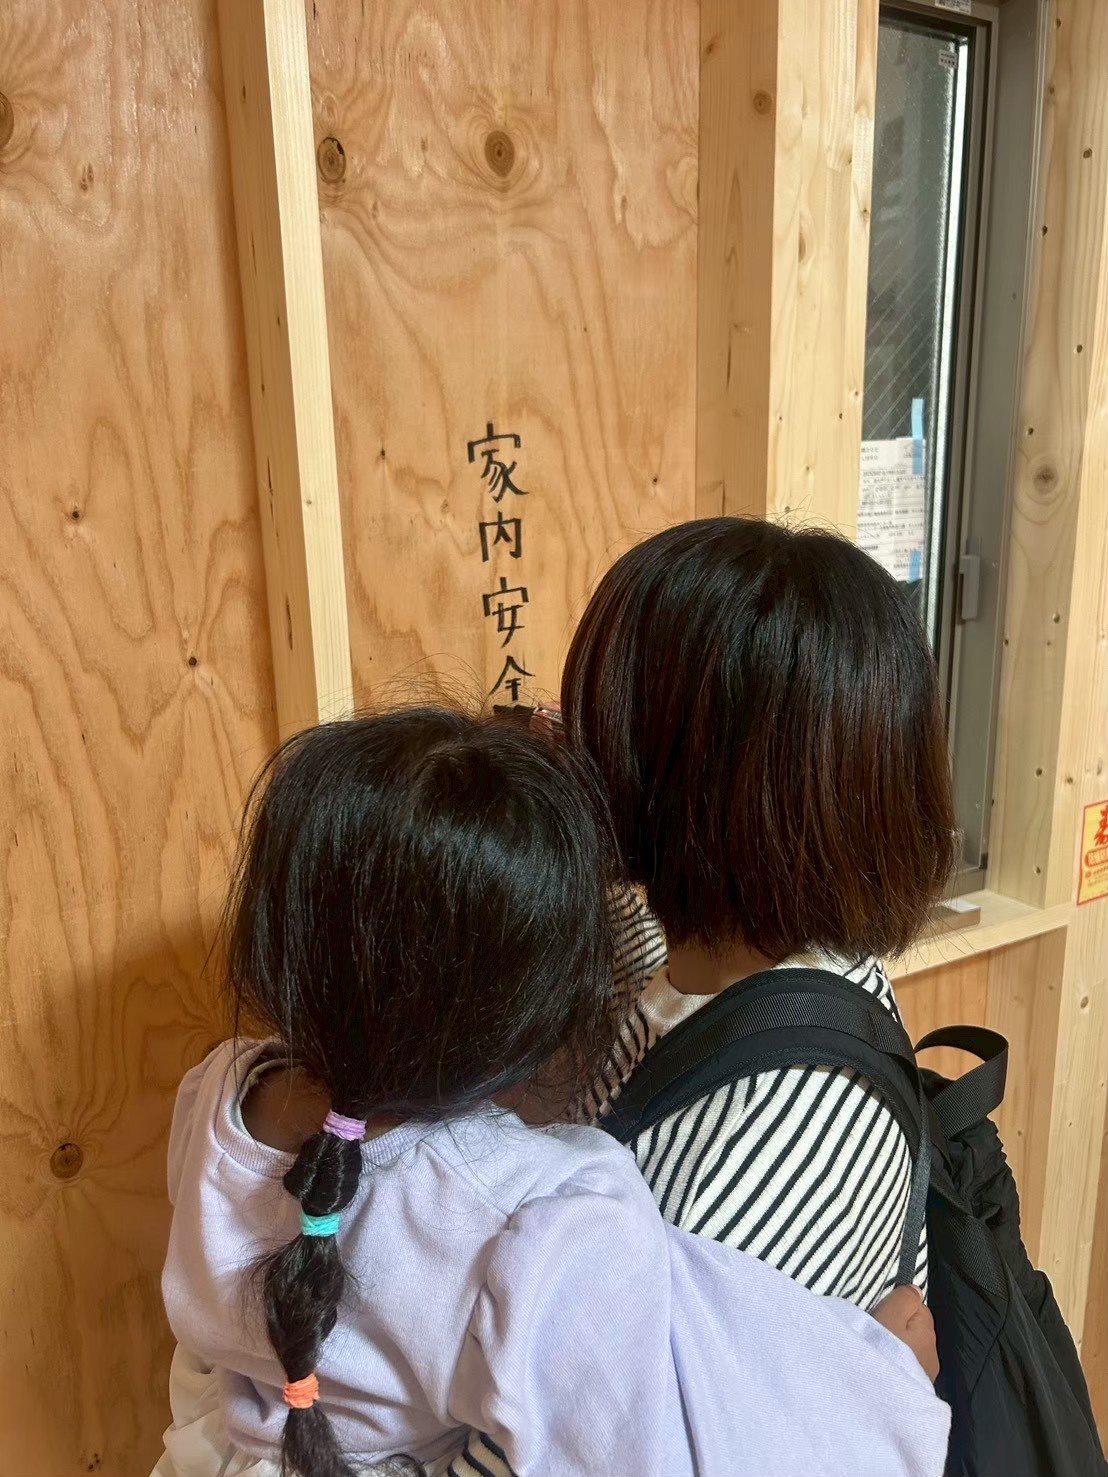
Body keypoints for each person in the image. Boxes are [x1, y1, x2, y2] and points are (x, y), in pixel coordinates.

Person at [152, 708, 948, 1477]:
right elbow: (664, 1439)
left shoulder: (220, 1090)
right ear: (528, 1021)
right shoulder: (536, 1219)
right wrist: (886, 1381)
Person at [560, 517, 959, 1309]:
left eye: (598, 723)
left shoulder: (749, 1159)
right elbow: (637, 956)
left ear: (673, 776)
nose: (577, 748)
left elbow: (566, 1391)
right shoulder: (764, 958)